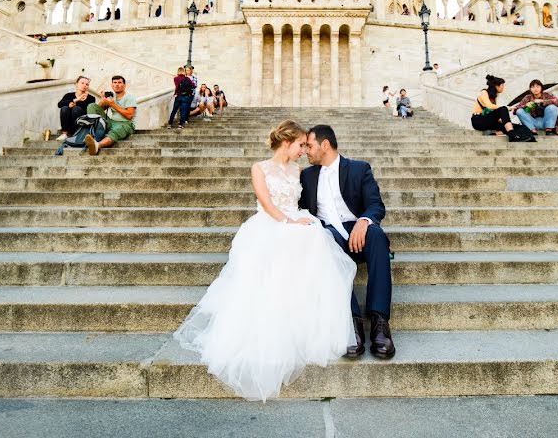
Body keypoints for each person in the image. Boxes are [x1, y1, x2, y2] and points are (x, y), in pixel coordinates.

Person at [175, 121, 357, 401]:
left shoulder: (297, 170)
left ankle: (306, 325)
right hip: (269, 223)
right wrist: (288, 222)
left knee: (315, 239)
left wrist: (300, 218)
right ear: (287, 142)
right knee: (285, 244)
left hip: (292, 218)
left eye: (307, 146)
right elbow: (266, 202)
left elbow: (299, 203)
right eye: (300, 144)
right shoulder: (259, 168)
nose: (303, 150)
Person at [300, 124, 395, 360]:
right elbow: (300, 209)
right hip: (328, 234)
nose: (306, 151)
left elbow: (376, 204)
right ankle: (351, 322)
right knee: (324, 239)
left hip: (358, 229)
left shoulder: (359, 169)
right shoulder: (307, 175)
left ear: (325, 145)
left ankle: (379, 322)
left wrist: (364, 221)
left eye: (309, 145)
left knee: (377, 236)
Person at [84, 75, 137, 155]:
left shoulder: (129, 97)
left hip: (126, 124)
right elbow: (98, 110)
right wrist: (103, 101)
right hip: (111, 122)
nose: (117, 85)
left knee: (115, 131)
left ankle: (97, 145)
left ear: (124, 85)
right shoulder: (111, 96)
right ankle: (91, 132)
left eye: (119, 82)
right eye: (114, 82)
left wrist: (112, 104)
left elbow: (129, 116)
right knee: (92, 106)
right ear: (112, 85)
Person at [471, 75, 527, 141]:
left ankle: (494, 134)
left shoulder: (494, 97)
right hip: (478, 120)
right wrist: (507, 107)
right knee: (503, 109)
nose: (503, 87)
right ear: (497, 86)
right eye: (502, 85)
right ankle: (512, 135)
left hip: (488, 120)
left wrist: (506, 121)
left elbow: (493, 112)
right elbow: (489, 106)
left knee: (515, 126)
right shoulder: (484, 92)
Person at [56, 75, 96, 140]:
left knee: (76, 109)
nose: (85, 85)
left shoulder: (91, 98)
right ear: (76, 84)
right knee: (64, 108)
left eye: (87, 84)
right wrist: (76, 100)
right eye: (82, 83)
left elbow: (88, 112)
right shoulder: (69, 95)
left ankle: (77, 134)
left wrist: (78, 102)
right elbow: (60, 104)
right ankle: (64, 134)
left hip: (81, 124)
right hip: (68, 124)